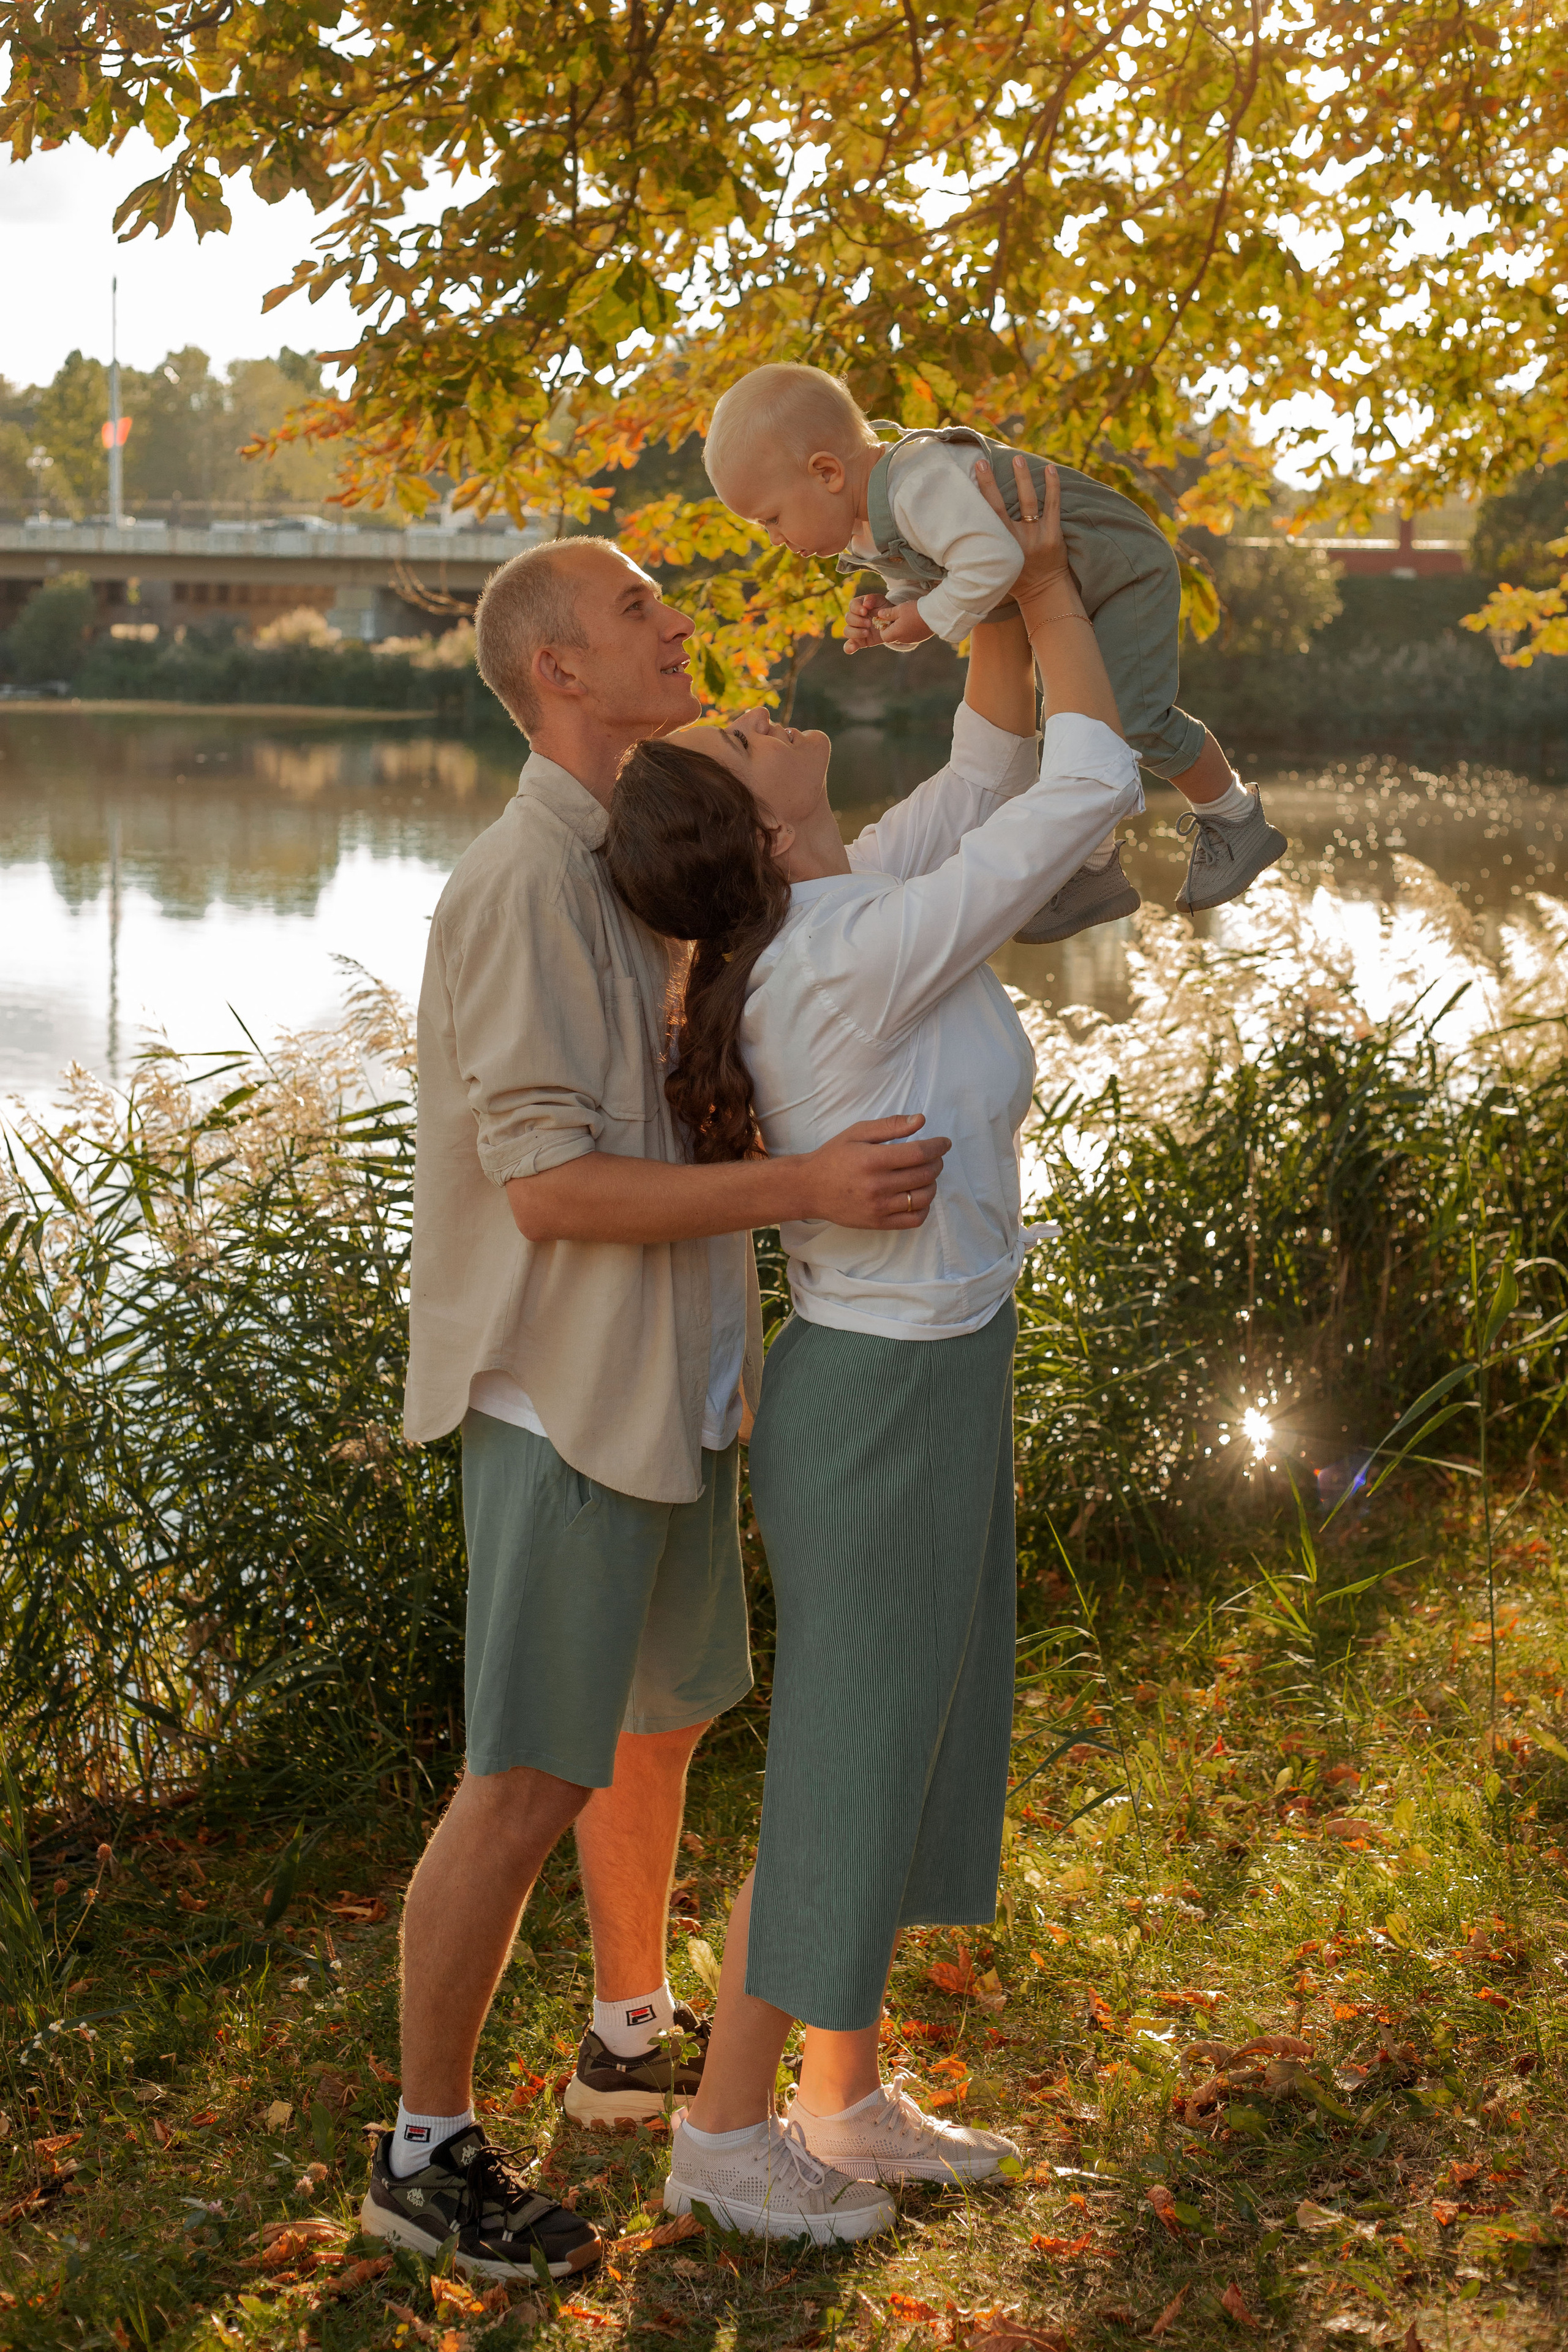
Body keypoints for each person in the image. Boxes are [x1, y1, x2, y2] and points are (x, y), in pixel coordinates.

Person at [361, 535, 954, 2283]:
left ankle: (631, 2034)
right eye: (637, 608)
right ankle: (425, 2148)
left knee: (656, 1725)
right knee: (523, 1774)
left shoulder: (634, 864)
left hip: (675, 1385)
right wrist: (806, 1189)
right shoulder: (523, 883)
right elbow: (548, 1191)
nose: (677, 620)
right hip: (563, 1399)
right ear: (557, 668)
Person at [603, 457, 1142, 2242]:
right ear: (760, 831)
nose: (759, 708)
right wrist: (1046, 583)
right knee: (849, 1750)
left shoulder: (838, 890)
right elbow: (1083, 780)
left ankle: (839, 2099)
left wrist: (956, 590)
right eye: (745, 734)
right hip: (886, 1395)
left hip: (926, 1369)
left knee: (904, 1732)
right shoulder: (841, 948)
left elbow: (988, 757)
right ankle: (724, 2129)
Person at [701, 361, 1286, 941]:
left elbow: (995, 562)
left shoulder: (916, 479)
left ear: (827, 472)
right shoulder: (872, 511)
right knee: (1076, 724)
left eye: (772, 519)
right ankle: (1091, 867)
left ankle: (1234, 817)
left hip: (1119, 568)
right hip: (1075, 579)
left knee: (1128, 722)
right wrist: (897, 609)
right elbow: (939, 570)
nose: (775, 539)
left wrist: (926, 616)